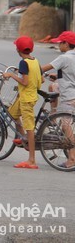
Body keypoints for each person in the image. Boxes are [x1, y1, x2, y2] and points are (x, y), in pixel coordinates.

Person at [3, 36, 43, 170]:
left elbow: (25, 82)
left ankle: (31, 160)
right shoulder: (35, 61)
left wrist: (11, 75)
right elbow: (40, 79)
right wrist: (20, 74)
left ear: (17, 49)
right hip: (28, 96)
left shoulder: (23, 63)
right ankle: (24, 138)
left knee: (29, 128)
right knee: (12, 113)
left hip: (27, 98)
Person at [40, 31, 75, 169]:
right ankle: (53, 117)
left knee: (67, 127)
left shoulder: (64, 58)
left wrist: (28, 68)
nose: (59, 46)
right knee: (53, 86)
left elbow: (43, 68)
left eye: (60, 43)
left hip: (69, 97)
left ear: (66, 44)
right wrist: (57, 76)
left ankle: (72, 158)